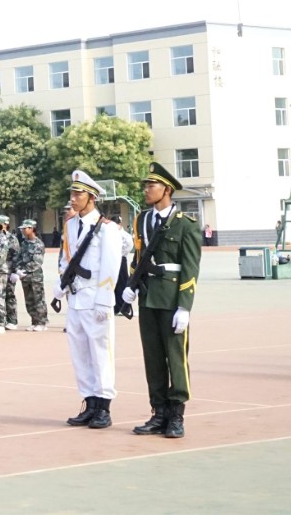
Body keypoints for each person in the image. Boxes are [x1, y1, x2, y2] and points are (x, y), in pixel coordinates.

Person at [122, 163, 200, 439]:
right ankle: (158, 412)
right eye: (145, 185)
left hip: (171, 299)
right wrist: (131, 285)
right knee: (153, 358)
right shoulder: (142, 220)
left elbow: (190, 267)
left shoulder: (185, 224)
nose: (146, 190)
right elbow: (139, 257)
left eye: (151, 185)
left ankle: (177, 415)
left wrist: (184, 306)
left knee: (175, 358)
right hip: (148, 298)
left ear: (166, 189)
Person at [58, 170, 125, 429]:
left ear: (92, 197)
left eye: (78, 194)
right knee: (80, 354)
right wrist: (60, 286)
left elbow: (110, 267)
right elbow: (66, 259)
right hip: (75, 299)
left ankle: (104, 407)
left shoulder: (107, 229)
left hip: (96, 299)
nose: (73, 198)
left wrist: (105, 301)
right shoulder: (70, 225)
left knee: (101, 353)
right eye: (72, 194)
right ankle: (89, 403)